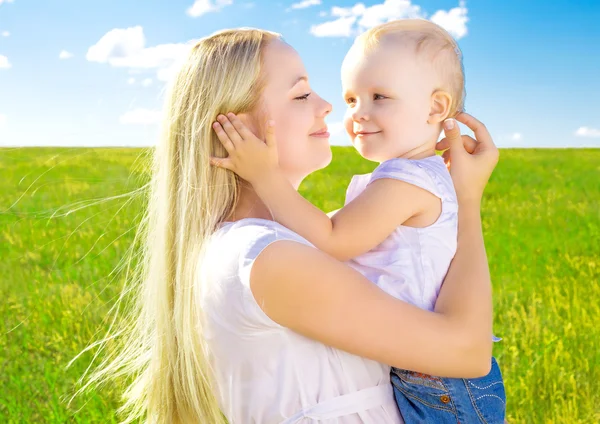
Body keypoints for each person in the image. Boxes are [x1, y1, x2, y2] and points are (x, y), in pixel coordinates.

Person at [76, 27, 499, 423]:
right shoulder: (270, 259)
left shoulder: (259, 246)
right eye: (301, 96)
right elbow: (470, 353)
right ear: (235, 128)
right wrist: (467, 200)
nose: (330, 105)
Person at [210, 19, 506, 423]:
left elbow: (333, 238)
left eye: (379, 96)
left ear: (436, 108)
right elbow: (332, 236)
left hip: (438, 384)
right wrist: (467, 199)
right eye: (352, 99)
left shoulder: (405, 179)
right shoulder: (266, 255)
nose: (348, 111)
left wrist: (266, 177)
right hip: (432, 378)